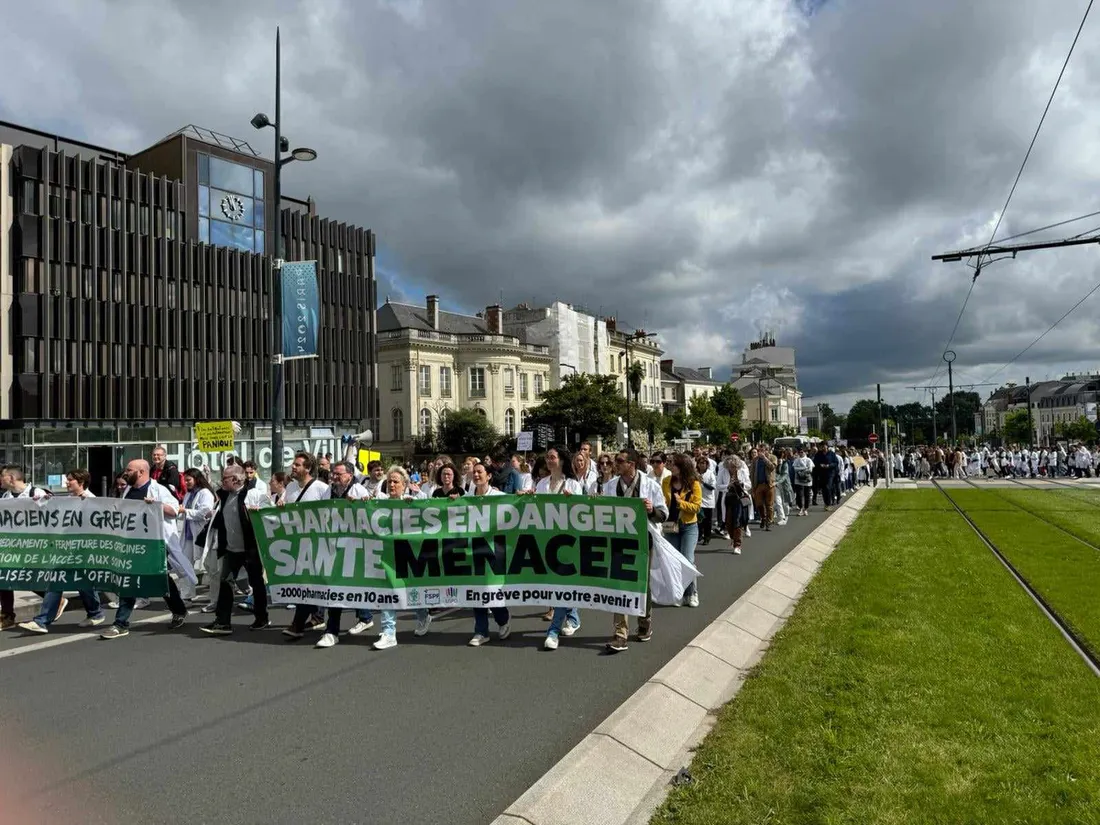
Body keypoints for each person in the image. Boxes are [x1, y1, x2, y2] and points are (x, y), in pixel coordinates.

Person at [100, 459, 189, 639]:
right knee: (129, 580)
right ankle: (120, 623)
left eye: (129, 470)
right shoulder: (127, 490)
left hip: (153, 544)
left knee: (159, 579)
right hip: (131, 544)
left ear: (140, 472)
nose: (125, 473)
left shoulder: (159, 490)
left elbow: (174, 510)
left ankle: (178, 609)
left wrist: (156, 505)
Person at [17, 470, 106, 633]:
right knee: (66, 580)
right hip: (66, 549)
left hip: (83, 549)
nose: (66, 483)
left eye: (70, 480)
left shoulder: (91, 500)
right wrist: (40, 503)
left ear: (81, 482)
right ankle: (94, 613)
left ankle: (44, 620)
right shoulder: (67, 500)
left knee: (76, 582)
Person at [604, 449, 667, 653]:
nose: (616, 464)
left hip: (643, 540)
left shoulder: (650, 485)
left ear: (631, 464)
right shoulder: (611, 486)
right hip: (619, 541)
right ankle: (620, 633)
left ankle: (645, 622)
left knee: (642, 584)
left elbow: (663, 514)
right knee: (620, 584)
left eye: (620, 461)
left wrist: (651, 511)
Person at [199, 464, 273, 636]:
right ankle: (223, 622)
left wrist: (258, 512)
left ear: (235, 479)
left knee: (257, 584)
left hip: (250, 549)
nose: (222, 482)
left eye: (224, 478)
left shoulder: (253, 494)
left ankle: (261, 618)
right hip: (231, 550)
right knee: (225, 582)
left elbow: (269, 513)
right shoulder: (225, 496)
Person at [370, 466, 431, 650]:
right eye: (390, 481)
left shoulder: (411, 502)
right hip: (387, 557)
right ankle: (389, 632)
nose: (392, 485)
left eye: (396, 481)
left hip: (409, 554)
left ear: (404, 485)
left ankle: (423, 615)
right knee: (388, 591)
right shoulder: (380, 504)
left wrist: (414, 506)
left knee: (411, 590)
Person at [532, 446, 585, 650]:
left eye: (552, 457)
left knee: (561, 586)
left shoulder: (573, 484)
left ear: (562, 460)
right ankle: (573, 617)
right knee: (557, 585)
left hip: (567, 542)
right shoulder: (542, 483)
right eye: (547, 457)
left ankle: (553, 631)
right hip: (547, 540)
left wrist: (573, 501)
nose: (549, 460)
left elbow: (582, 511)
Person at [467, 462, 511, 646]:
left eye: (480, 472)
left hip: (495, 551)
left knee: (492, 591)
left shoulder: (499, 497)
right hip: (474, 551)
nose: (476, 475)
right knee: (477, 591)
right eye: (474, 472)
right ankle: (481, 631)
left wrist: (524, 496)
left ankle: (503, 619)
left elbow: (516, 508)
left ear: (489, 476)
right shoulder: (467, 498)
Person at [663, 454, 702, 607]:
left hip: (689, 526)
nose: (671, 467)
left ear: (682, 467)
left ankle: (692, 593)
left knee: (687, 559)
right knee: (674, 561)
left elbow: (697, 508)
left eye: (674, 464)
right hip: (671, 525)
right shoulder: (666, 481)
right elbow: (663, 501)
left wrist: (681, 503)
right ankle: (679, 593)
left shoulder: (694, 484)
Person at [750, 447, 777, 530]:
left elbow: (772, 467)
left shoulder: (772, 457)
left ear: (767, 450)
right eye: (759, 450)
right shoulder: (755, 460)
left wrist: (765, 458)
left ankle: (769, 522)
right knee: (759, 504)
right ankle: (763, 518)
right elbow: (752, 473)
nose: (761, 452)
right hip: (758, 485)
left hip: (769, 485)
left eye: (763, 450)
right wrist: (752, 486)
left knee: (769, 505)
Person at [695, 455, 716, 545]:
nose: (702, 465)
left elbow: (712, 487)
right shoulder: (695, 474)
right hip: (698, 500)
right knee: (699, 519)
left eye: (703, 463)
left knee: (707, 520)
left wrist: (703, 482)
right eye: (700, 463)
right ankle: (699, 535)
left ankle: (707, 537)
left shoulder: (710, 474)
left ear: (707, 464)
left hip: (708, 500)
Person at [791, 448, 814, 516]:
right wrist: (804, 468)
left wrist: (801, 470)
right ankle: (801, 508)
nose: (801, 453)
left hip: (807, 480)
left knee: (807, 495)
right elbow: (795, 469)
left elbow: (810, 470)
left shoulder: (808, 460)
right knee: (799, 495)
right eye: (799, 452)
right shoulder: (796, 460)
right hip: (798, 480)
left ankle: (806, 509)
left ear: (805, 452)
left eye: (802, 452)